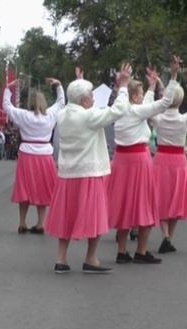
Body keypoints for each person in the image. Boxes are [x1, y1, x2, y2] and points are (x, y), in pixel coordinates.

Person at [46, 63, 132, 274]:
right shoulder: (88, 116)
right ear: (84, 100)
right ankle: (91, 258)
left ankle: (61, 259)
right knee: (95, 216)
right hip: (90, 173)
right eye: (91, 97)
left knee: (66, 216)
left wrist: (78, 81)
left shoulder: (63, 115)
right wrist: (123, 86)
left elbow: (76, 103)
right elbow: (118, 110)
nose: (93, 100)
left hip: (68, 173)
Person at [106, 56, 179, 265]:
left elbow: (146, 104)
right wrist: (172, 77)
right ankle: (141, 250)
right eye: (139, 94)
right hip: (139, 161)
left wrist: (151, 86)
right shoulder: (137, 111)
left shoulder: (120, 110)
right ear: (134, 97)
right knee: (144, 204)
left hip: (121, 161)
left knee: (123, 205)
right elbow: (163, 103)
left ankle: (121, 251)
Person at [151, 63, 187, 253]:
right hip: (179, 162)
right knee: (175, 199)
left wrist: (157, 83)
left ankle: (165, 235)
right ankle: (169, 238)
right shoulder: (184, 119)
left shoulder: (158, 118)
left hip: (161, 159)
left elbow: (154, 105)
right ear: (181, 101)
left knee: (160, 198)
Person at [3, 76, 65, 234]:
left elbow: (7, 107)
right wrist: (58, 86)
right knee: (43, 189)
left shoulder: (23, 115)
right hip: (45, 155)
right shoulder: (50, 115)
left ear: (30, 103)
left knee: (24, 188)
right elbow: (61, 102)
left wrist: (8, 89)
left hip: (27, 154)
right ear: (43, 102)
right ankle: (40, 223)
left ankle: (22, 222)